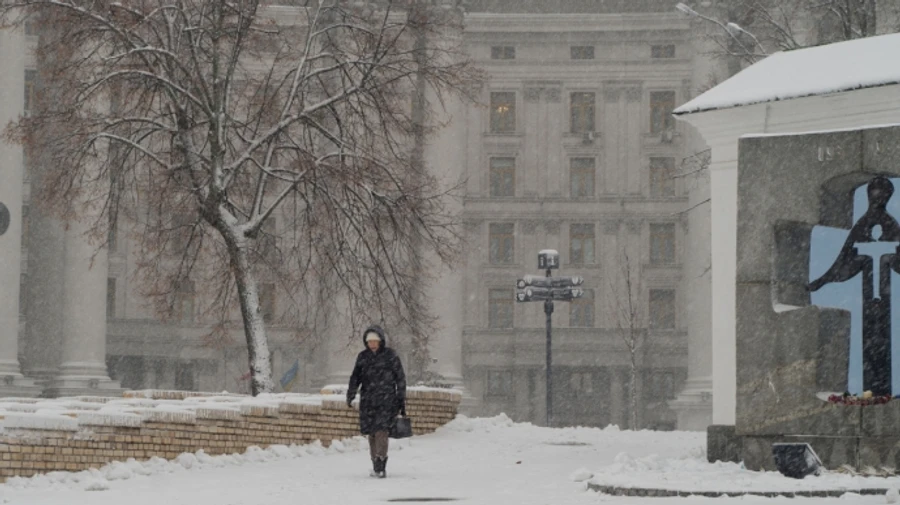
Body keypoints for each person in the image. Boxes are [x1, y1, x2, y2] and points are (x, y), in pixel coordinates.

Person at [346, 325, 406, 478]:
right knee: (371, 433)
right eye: (369, 341)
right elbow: (355, 377)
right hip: (368, 400)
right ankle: (375, 462)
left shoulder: (390, 356)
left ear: (380, 341)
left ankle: (381, 462)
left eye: (375, 341)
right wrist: (351, 394)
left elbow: (400, 377)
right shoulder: (363, 357)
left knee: (381, 431)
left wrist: (400, 397)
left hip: (386, 400)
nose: (372, 344)